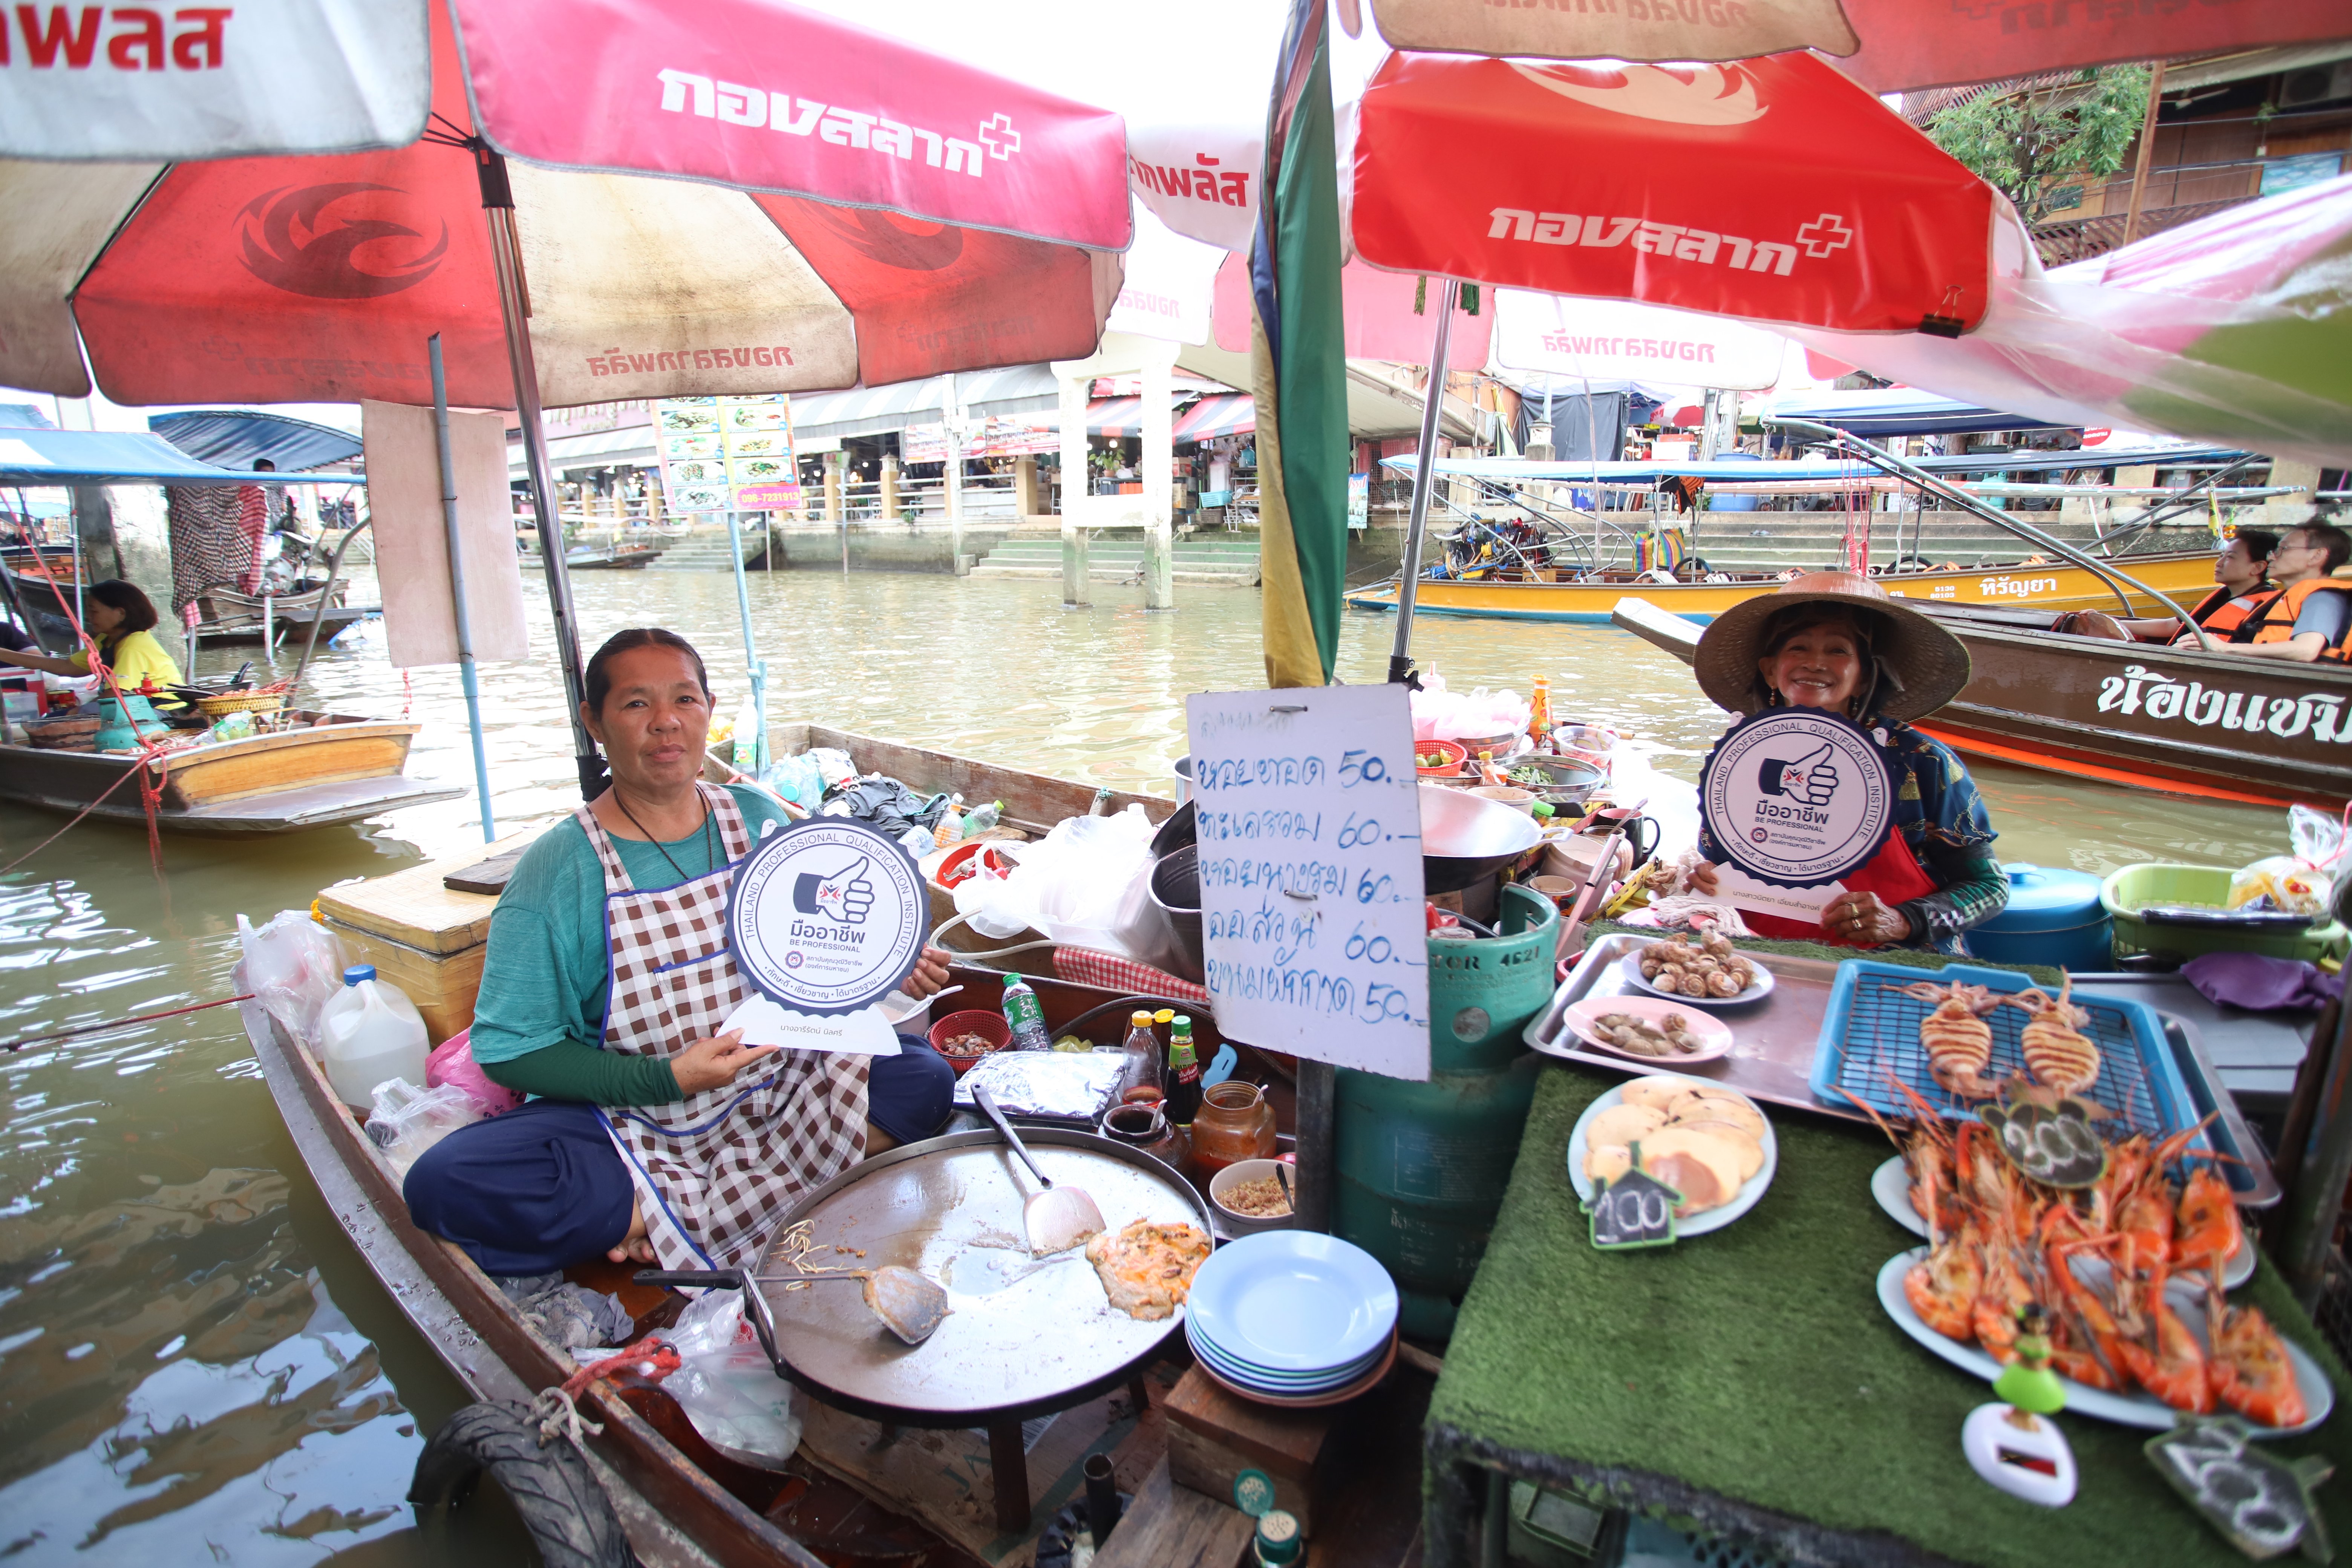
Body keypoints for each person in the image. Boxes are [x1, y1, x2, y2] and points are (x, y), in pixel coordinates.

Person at [404, 628, 959, 1278]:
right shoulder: (559, 869)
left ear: (708, 709)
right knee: (447, 1182)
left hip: (772, 1082)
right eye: (637, 705)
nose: (666, 724)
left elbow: (820, 945)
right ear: (595, 723)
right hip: (631, 1113)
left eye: (685, 701)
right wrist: (667, 1079)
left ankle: (657, 1218)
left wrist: (887, 967)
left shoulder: (754, 817)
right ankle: (733, 1192)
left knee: (922, 1076)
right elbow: (511, 1050)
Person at [1687, 573, 2008, 954]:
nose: (1815, 663)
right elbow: (1716, 860)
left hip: (1896, 965)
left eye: (1838, 650)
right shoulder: (1739, 757)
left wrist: (1905, 919)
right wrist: (1708, 876)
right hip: (1765, 955)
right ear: (1771, 669)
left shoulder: (1922, 761)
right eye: (1799, 648)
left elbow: (1991, 888)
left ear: (1864, 676)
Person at [0, 578, 182, 695]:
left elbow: (117, 695)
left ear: (120, 613)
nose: (89, 616)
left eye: (94, 611)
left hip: (164, 709)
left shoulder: (133, 645)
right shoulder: (105, 640)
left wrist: (79, 711)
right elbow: (66, 667)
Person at [2209, 522, 2352, 662]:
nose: (2271, 557)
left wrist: (2226, 648)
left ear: (2316, 556)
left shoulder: (2323, 598)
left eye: (2283, 549)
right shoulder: (2282, 599)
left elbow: (2306, 650)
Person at [2112, 530, 2278, 643]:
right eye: (2221, 556)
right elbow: (2171, 626)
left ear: (2257, 568)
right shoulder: (2225, 596)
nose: (2219, 563)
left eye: (2231, 558)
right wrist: (2109, 621)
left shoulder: (2268, 608)